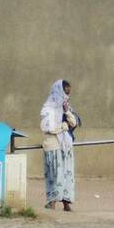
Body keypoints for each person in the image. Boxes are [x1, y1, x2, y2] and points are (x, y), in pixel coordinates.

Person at [40, 79, 77, 211]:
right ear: (58, 92)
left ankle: (66, 202)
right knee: (55, 174)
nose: (67, 96)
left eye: (68, 93)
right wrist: (64, 126)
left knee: (67, 174)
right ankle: (52, 202)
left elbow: (73, 123)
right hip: (53, 145)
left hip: (66, 146)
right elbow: (49, 128)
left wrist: (67, 112)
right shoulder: (48, 109)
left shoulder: (65, 107)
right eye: (65, 93)